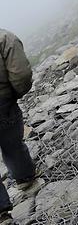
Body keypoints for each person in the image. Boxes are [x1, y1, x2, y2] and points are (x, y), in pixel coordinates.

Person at [0, 28, 38, 223]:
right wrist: (15, 94)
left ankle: (1, 212)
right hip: (3, 103)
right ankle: (25, 178)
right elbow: (21, 73)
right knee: (12, 144)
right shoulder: (5, 38)